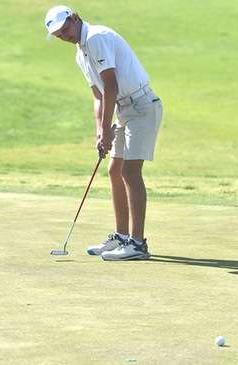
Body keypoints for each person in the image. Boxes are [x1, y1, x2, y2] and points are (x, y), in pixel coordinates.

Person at [44, 5, 163, 261]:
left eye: (65, 30)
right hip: (123, 109)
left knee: (130, 171)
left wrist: (108, 129)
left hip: (141, 106)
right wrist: (101, 129)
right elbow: (98, 95)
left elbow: (111, 86)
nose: (65, 36)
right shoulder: (80, 53)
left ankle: (137, 244)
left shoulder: (96, 37)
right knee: (114, 170)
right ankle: (121, 237)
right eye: (59, 36)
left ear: (75, 18)